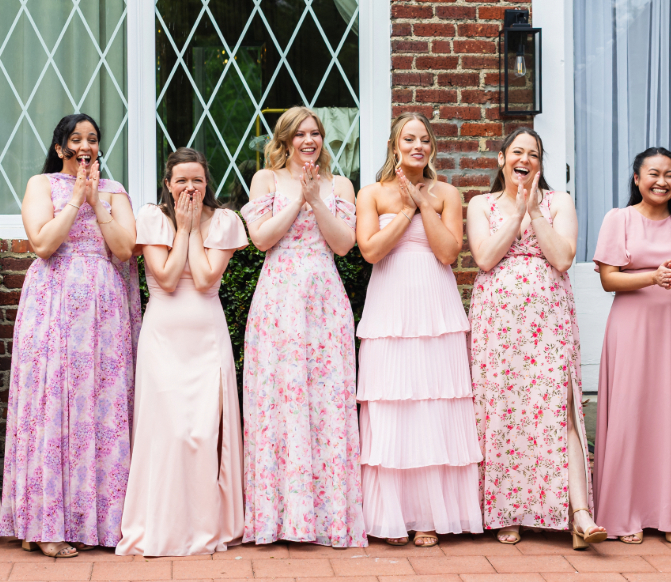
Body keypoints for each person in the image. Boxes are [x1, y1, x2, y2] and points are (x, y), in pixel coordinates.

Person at [0, 114, 140, 557]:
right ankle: (43, 525)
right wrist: (76, 197)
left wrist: (96, 200)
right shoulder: (42, 186)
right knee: (52, 406)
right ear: (61, 147)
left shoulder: (116, 193)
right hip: (53, 308)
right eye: (76, 139)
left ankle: (100, 523)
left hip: (103, 314)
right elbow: (43, 244)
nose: (85, 146)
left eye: (93, 139)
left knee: (103, 409)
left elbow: (122, 248)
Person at [467, 127, 604, 548]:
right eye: (517, 152)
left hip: (549, 322)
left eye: (534, 154)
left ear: (540, 165)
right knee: (503, 410)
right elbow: (486, 257)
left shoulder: (558, 202)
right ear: (501, 160)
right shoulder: (481, 204)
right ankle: (506, 511)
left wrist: (536, 212)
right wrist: (516, 212)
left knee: (558, 408)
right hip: (498, 325)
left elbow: (563, 258)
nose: (525, 159)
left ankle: (580, 514)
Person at [240, 106, 365, 548]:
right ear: (285, 140)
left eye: (315, 133)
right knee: (281, 400)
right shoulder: (267, 180)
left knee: (325, 400)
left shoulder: (341, 185)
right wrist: (299, 198)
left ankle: (328, 518)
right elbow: (262, 239)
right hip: (278, 298)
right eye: (300, 134)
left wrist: (318, 200)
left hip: (324, 300)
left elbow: (345, 244)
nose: (309, 140)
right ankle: (280, 519)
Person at [355, 114, 482, 547]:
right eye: (409, 139)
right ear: (394, 145)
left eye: (424, 140)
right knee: (392, 402)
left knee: (433, 402)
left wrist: (425, 203)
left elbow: (448, 252)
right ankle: (392, 514)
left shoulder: (447, 193)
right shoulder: (371, 194)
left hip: (435, 305)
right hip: (389, 305)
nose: (418, 146)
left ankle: (429, 515)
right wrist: (406, 206)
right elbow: (370, 250)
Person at [117, 149, 247, 557]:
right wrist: (186, 230)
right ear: (168, 184)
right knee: (168, 432)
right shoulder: (153, 218)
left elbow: (207, 279)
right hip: (163, 340)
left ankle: (206, 525)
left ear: (207, 182)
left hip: (207, 338)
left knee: (202, 432)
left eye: (197, 180)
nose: (190, 187)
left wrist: (193, 228)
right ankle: (162, 526)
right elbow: (169, 279)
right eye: (181, 180)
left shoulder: (226, 221)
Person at [592, 147, 671, 545]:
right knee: (632, 414)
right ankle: (625, 514)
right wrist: (651, 278)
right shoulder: (619, 219)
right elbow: (609, 280)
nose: (662, 181)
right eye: (654, 174)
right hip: (631, 327)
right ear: (636, 178)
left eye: (670, 174)